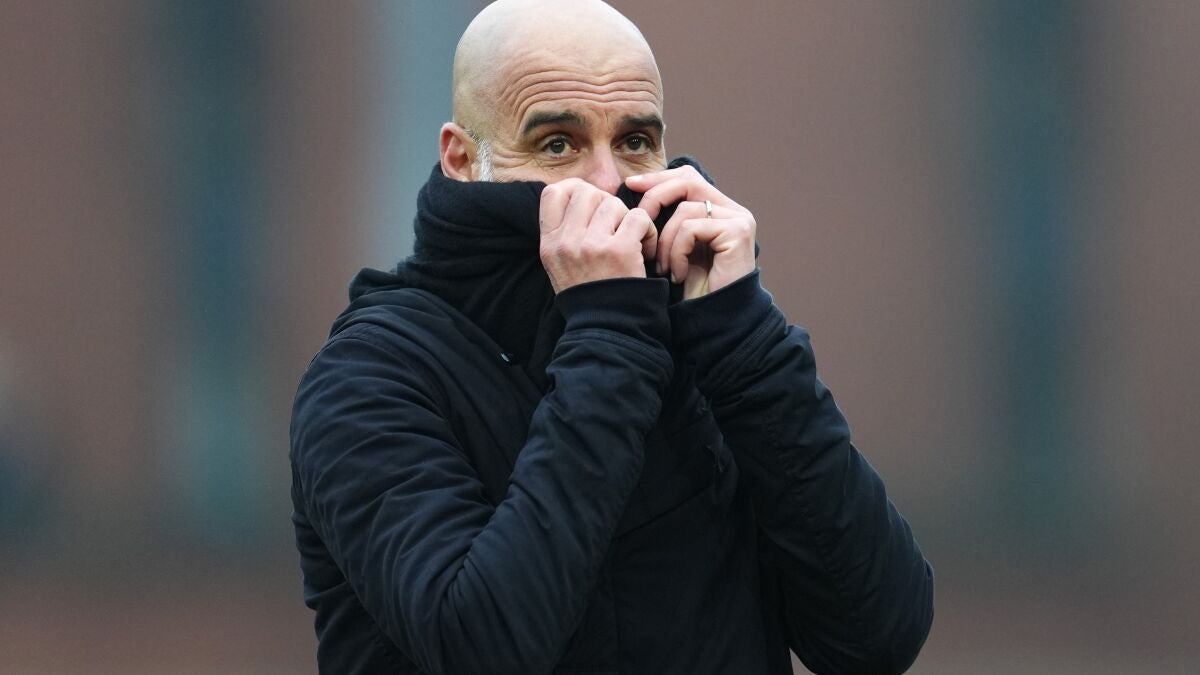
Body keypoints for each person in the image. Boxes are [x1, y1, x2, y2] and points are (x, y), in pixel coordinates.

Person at [289, 0, 934, 673]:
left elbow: (878, 636)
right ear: (461, 158)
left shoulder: (706, 331)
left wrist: (746, 339)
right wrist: (609, 333)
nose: (608, 182)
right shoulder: (366, 379)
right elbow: (482, 647)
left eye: (633, 142)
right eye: (557, 144)